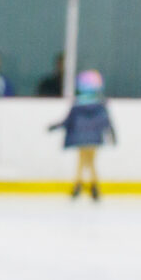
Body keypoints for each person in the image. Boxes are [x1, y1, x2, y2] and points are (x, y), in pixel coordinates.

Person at [50, 68, 117, 200]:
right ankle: (92, 186)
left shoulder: (79, 103)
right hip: (94, 136)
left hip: (80, 136)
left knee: (83, 160)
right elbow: (106, 122)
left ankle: (80, 184)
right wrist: (112, 135)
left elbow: (68, 121)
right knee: (90, 161)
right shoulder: (100, 104)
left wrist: (55, 127)